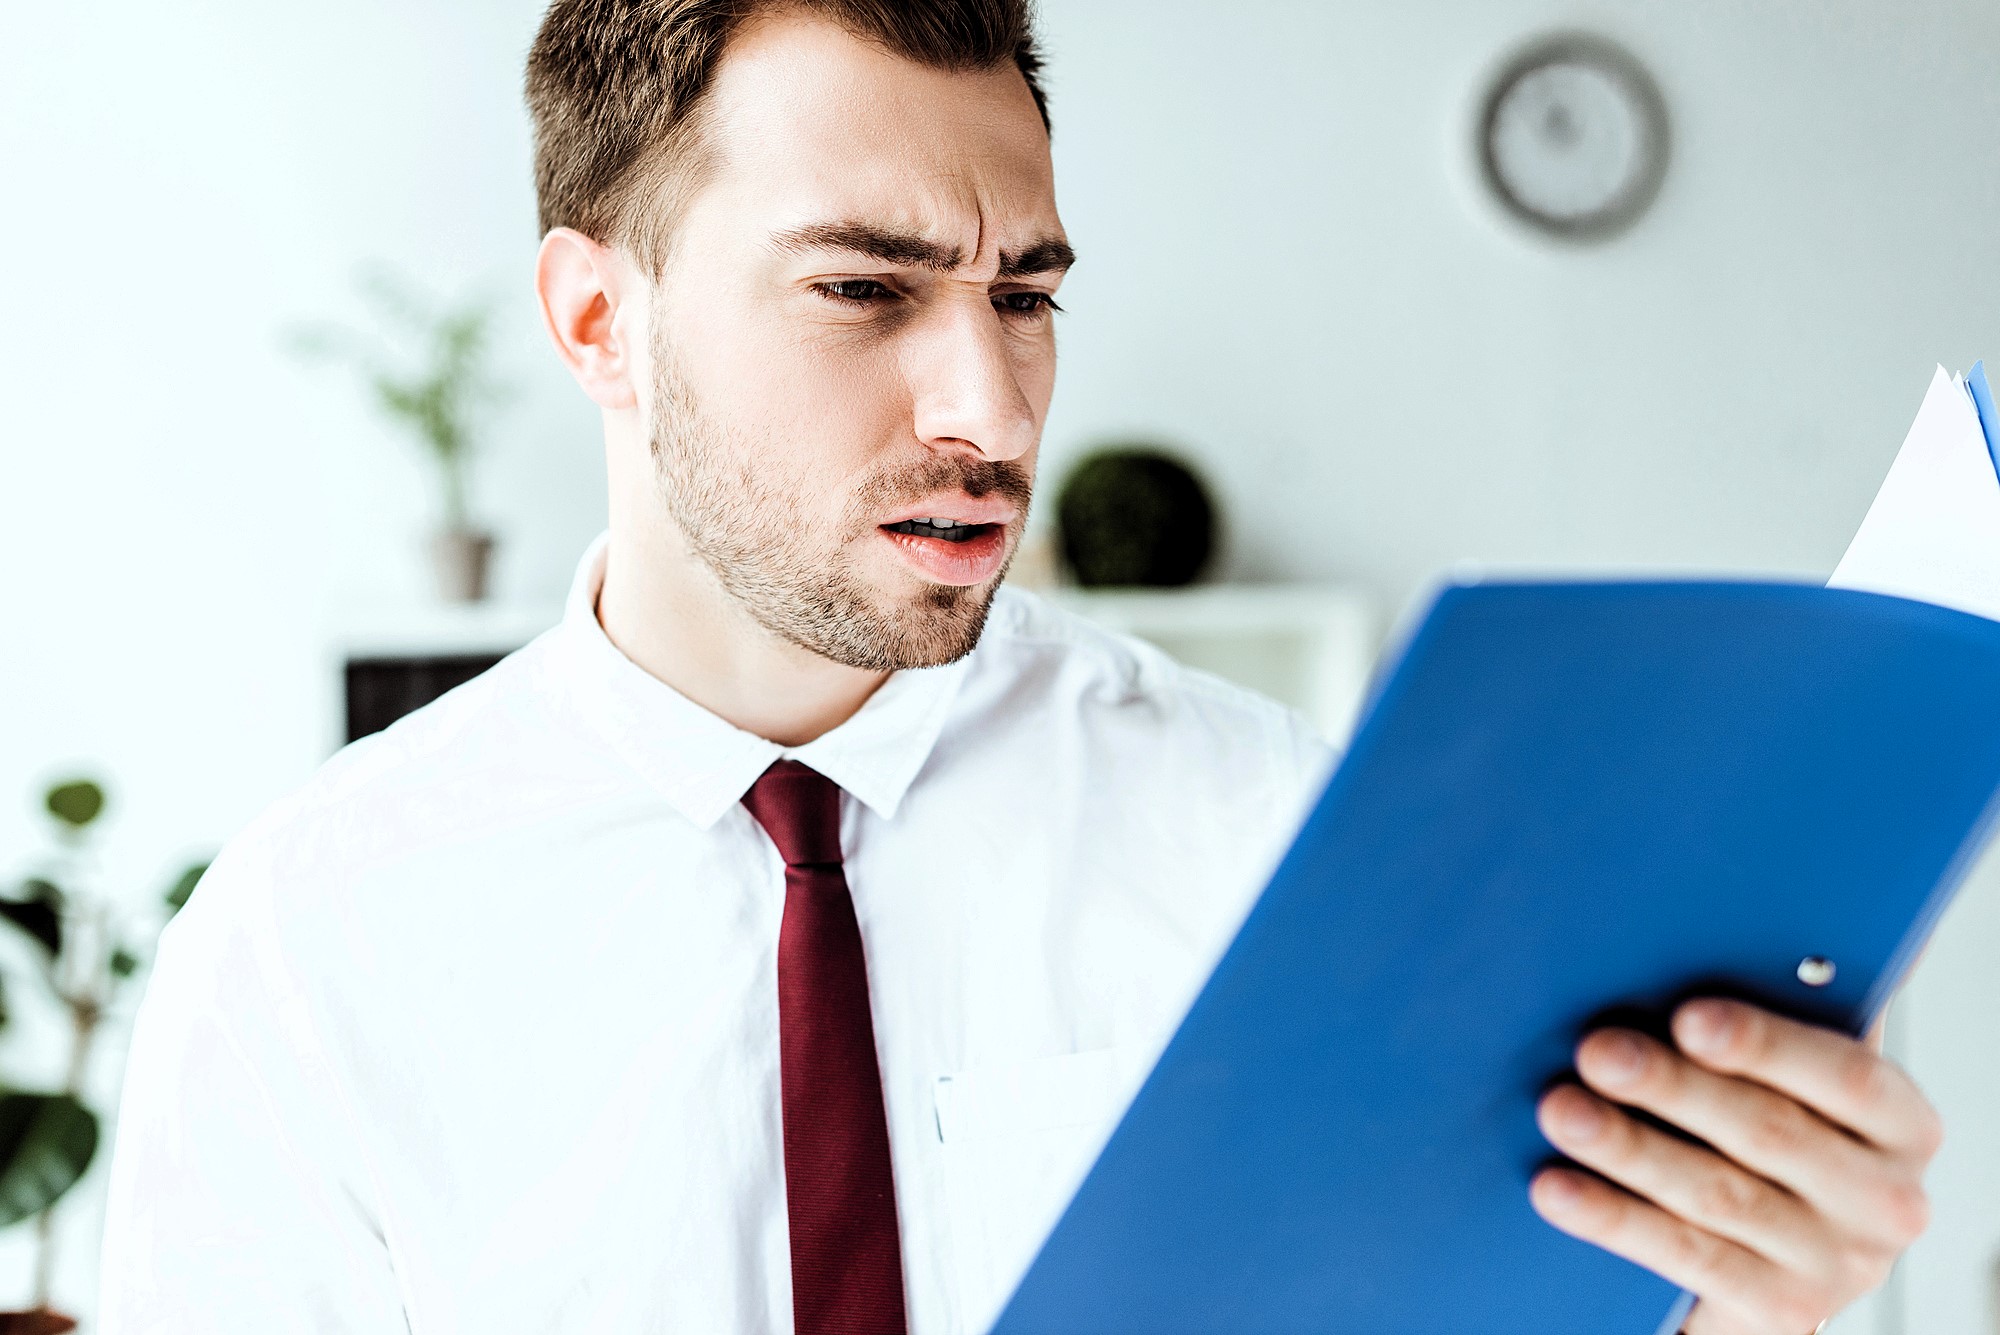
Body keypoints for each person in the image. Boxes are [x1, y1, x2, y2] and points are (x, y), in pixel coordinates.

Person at [97, 2, 1941, 1332]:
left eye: (1027, 295)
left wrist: (1748, 1308)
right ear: (602, 322)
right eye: (865, 289)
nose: (991, 407)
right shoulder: (304, 954)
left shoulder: (1283, 841)